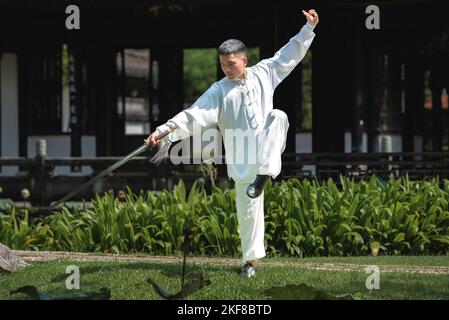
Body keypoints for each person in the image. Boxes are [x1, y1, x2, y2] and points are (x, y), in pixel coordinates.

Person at [145, 9, 319, 278]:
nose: (227, 69)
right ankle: (250, 265)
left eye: (231, 64)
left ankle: (264, 175)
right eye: (223, 64)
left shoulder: (265, 73)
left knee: (279, 116)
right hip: (241, 159)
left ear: (244, 60)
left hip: (266, 148)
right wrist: (163, 131)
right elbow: (194, 114)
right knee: (248, 215)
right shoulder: (218, 90)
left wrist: (308, 29)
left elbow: (289, 55)